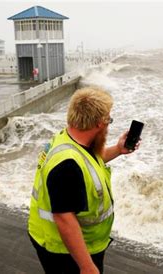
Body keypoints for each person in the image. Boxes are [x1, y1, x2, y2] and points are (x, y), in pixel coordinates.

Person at [28, 87, 141, 274]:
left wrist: (118, 150)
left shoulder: (70, 139)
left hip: (64, 242)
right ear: (99, 123)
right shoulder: (67, 166)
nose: (108, 125)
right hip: (65, 251)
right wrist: (86, 266)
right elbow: (64, 218)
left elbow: (88, 163)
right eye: (108, 120)